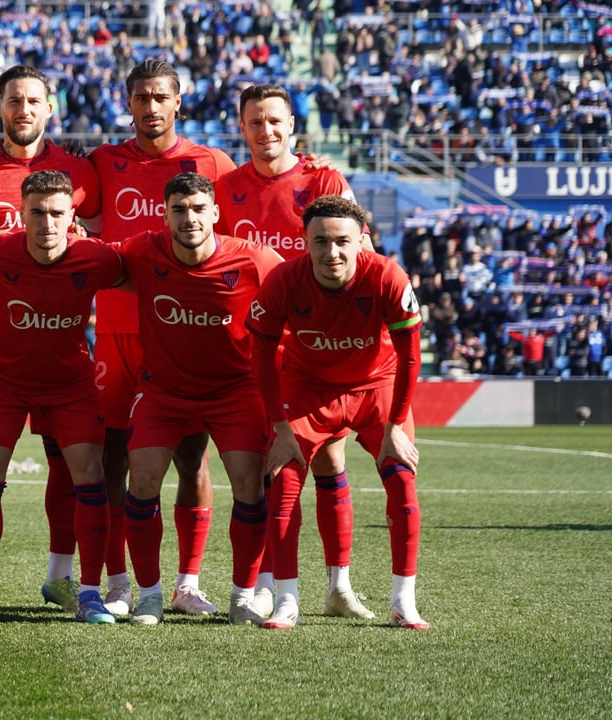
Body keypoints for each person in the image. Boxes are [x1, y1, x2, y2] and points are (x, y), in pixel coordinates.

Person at [0, 64, 103, 616]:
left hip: (59, 343)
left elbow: (100, 242)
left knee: (69, 463)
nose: (24, 109)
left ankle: (62, 577)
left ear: (49, 107)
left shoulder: (83, 171)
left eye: (34, 100)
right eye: (14, 100)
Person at [214, 83, 373, 620]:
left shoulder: (323, 180)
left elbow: (362, 253)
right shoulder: (226, 187)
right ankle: (265, 585)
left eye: (275, 120)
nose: (266, 130)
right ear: (242, 127)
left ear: (292, 126)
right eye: (255, 121)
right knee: (269, 468)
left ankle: (339, 585)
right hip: (253, 349)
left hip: (317, 350)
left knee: (330, 458)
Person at [88, 58, 237, 616]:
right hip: (117, 332)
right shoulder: (102, 162)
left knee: (191, 459)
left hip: (183, 333)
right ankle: (119, 583)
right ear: (128, 103)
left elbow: (240, 228)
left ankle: (187, 583)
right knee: (112, 459)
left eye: (160, 97)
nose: (150, 107)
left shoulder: (212, 163)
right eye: (141, 98)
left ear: (178, 102)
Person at [247, 195, 428, 631]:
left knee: (402, 480)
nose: (333, 252)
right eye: (321, 242)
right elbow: (261, 353)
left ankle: (403, 603)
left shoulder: (387, 276)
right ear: (305, 242)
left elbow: (409, 356)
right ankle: (287, 601)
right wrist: (279, 427)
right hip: (308, 388)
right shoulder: (283, 280)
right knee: (283, 480)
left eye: (343, 241)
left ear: (361, 240)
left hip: (376, 385)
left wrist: (395, 425)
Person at [115, 173, 281, 625]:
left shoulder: (254, 259)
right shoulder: (141, 251)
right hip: (163, 391)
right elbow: (92, 262)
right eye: (179, 210)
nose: (189, 218)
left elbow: (298, 289)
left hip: (235, 391)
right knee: (142, 480)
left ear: (215, 213)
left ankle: (242, 597)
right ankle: (150, 596)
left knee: (249, 485)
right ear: (165, 215)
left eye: (198, 209)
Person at [0, 170, 124, 625]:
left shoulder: (96, 258)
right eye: (37, 212)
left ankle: (89, 593)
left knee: (90, 475)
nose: (47, 223)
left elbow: (138, 276)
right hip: (4, 381)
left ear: (72, 217)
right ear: (21, 214)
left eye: (56, 213)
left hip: (69, 384)